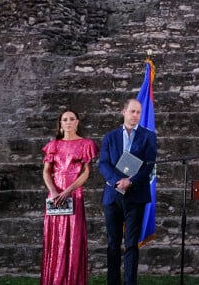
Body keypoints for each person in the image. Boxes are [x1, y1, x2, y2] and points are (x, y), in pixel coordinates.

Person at [99, 98, 157, 285]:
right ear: (123, 112)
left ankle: (130, 282)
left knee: (131, 244)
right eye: (132, 111)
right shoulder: (110, 137)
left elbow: (149, 165)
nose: (135, 116)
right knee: (113, 243)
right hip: (113, 195)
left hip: (135, 195)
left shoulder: (148, 137)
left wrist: (130, 181)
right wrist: (117, 181)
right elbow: (103, 164)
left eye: (138, 112)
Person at [41, 110, 99, 285]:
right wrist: (54, 191)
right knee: (55, 239)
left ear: (77, 122)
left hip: (74, 194)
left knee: (74, 238)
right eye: (64, 119)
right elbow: (46, 172)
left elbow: (86, 172)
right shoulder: (53, 145)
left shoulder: (86, 144)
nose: (68, 122)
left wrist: (68, 190)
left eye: (71, 119)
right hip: (55, 195)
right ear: (60, 123)